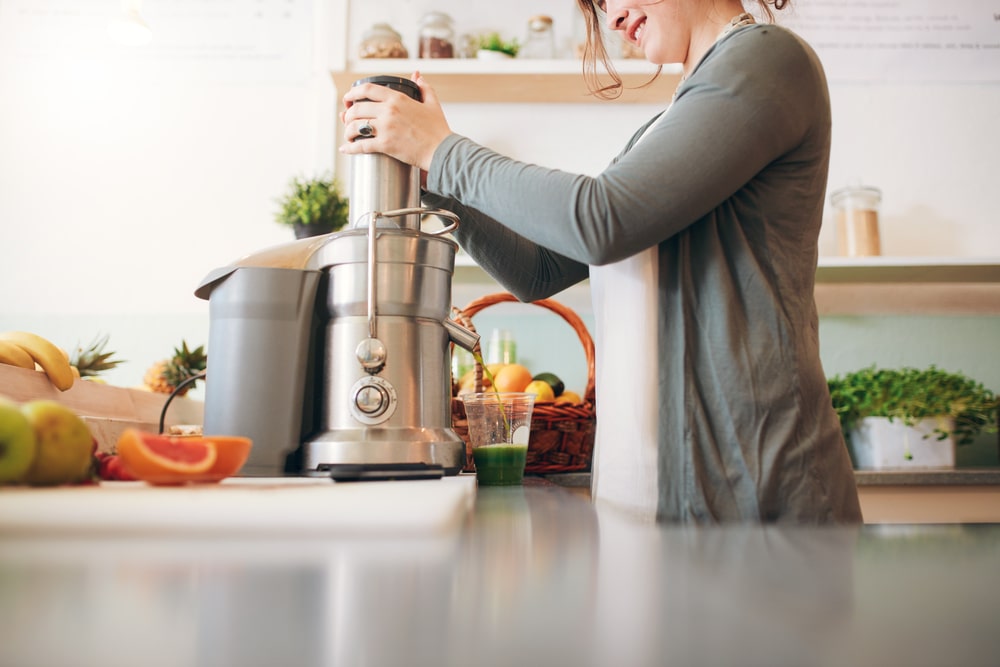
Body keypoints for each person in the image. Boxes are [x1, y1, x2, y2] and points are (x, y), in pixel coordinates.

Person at [340, 0, 863, 523]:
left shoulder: (767, 58)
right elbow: (538, 270)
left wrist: (443, 151)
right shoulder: (665, 125)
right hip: (655, 496)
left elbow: (600, 219)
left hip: (756, 493)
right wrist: (437, 180)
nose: (610, 20)